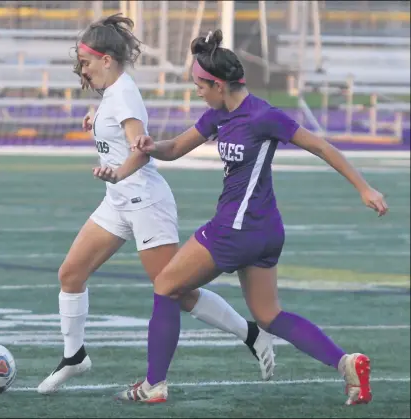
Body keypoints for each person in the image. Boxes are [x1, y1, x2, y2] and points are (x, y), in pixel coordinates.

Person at [115, 29, 388, 404]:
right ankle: (347, 365)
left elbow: (321, 146)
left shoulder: (263, 115)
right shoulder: (219, 115)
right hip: (262, 230)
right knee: (269, 316)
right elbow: (176, 147)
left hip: (236, 229)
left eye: (199, 85)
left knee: (165, 286)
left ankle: (153, 385)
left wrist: (363, 187)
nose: (197, 91)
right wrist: (151, 146)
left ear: (219, 84)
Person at [37, 16, 275, 394]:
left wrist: (117, 173)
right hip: (118, 203)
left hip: (145, 203)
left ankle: (250, 334)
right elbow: (117, 123)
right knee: (71, 274)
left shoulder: (125, 93)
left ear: (107, 60)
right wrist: (95, 120)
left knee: (176, 291)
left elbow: (141, 149)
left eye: (86, 63)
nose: (82, 71)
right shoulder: (113, 93)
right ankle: (74, 356)